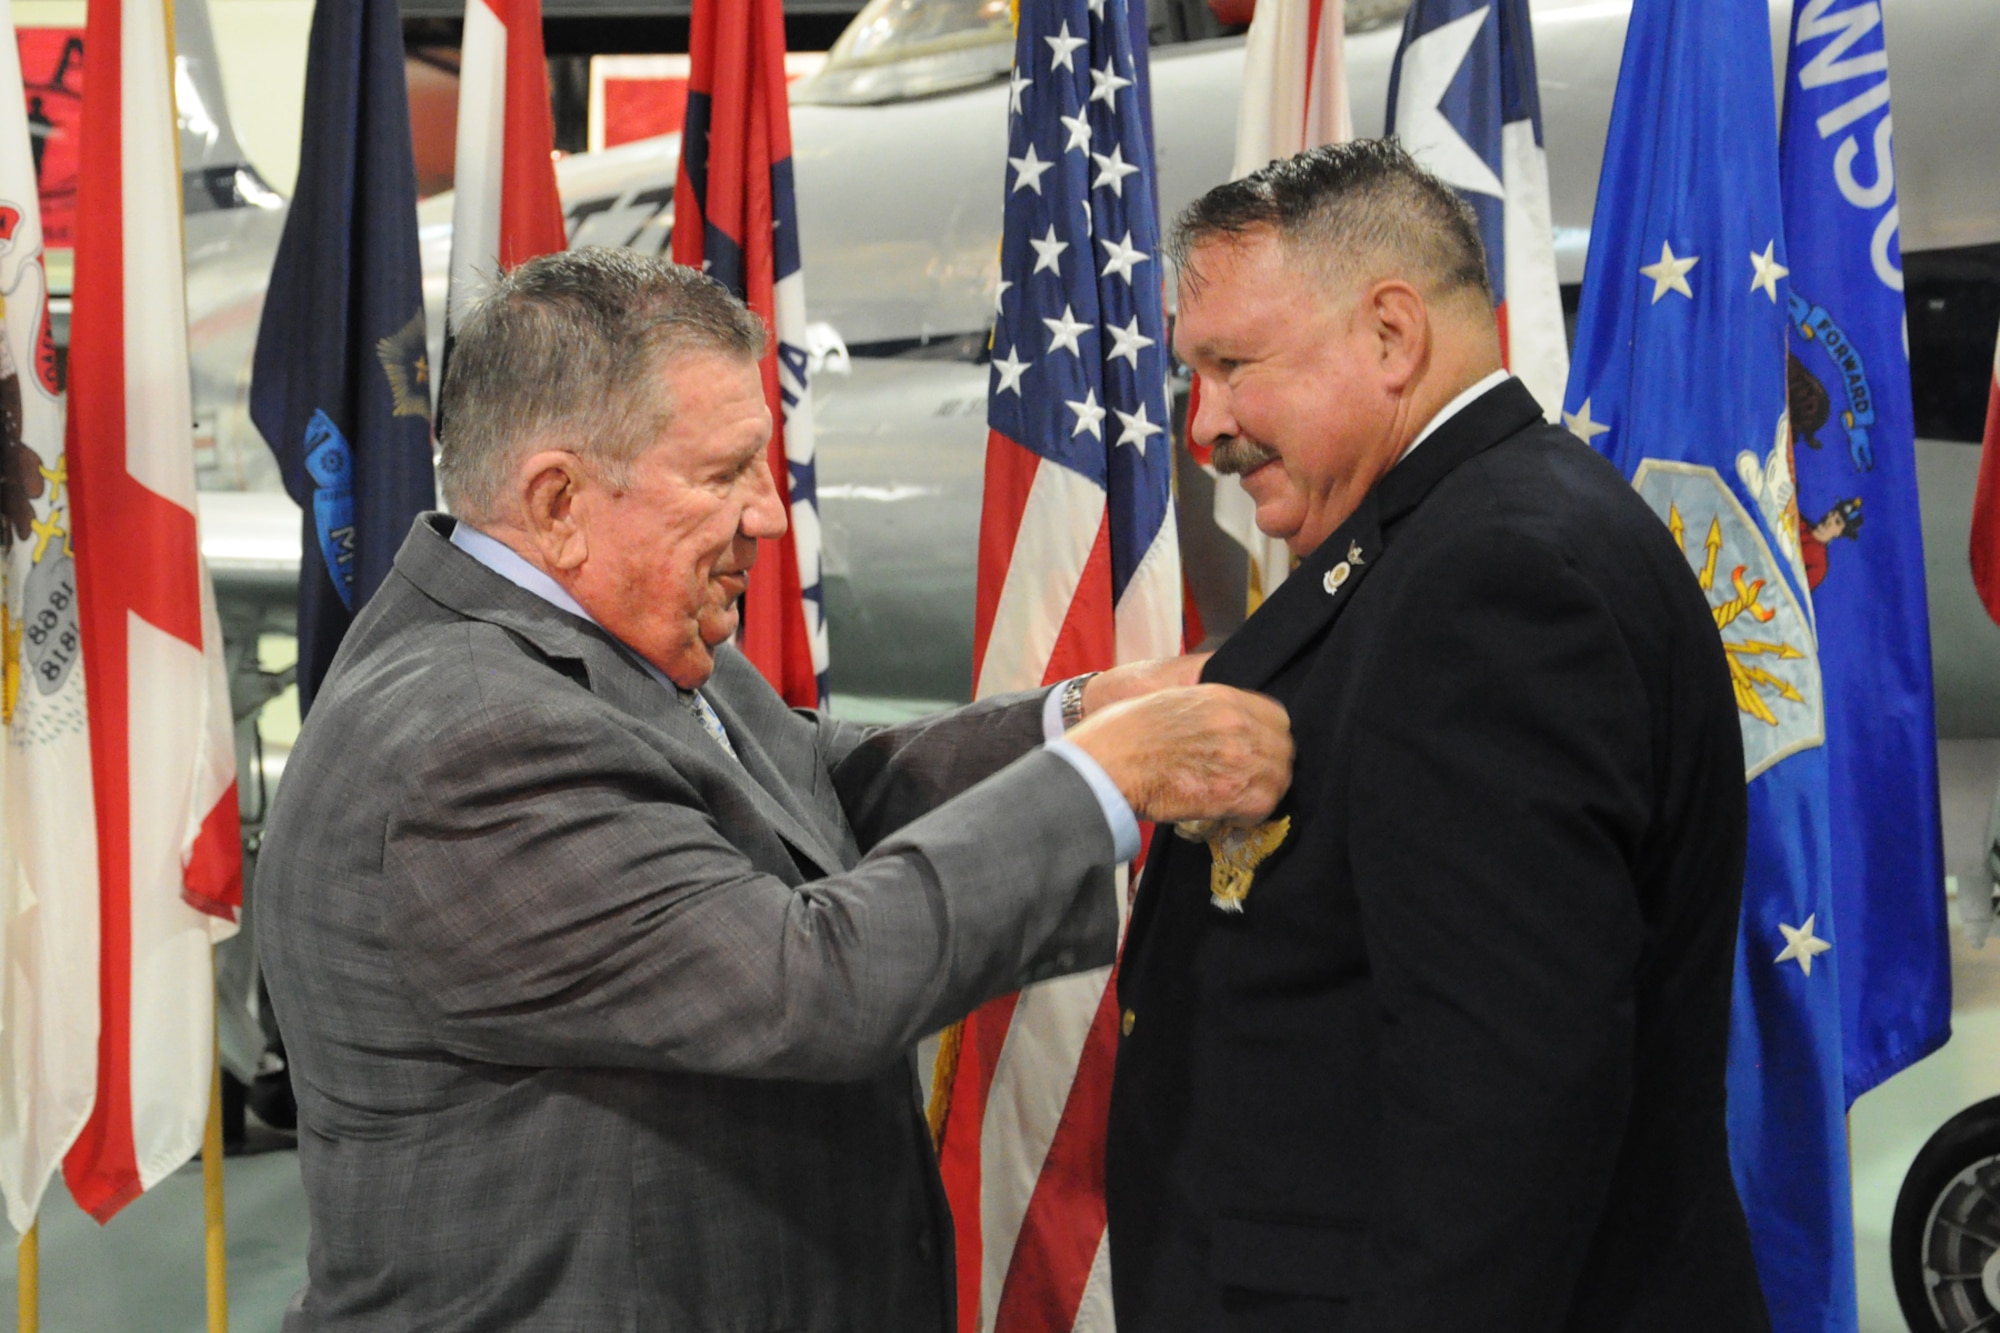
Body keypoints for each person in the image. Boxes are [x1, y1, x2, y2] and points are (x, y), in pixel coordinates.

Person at [255, 247, 1292, 1331]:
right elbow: (812, 985)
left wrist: (1081, 715)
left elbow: (815, 789)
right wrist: (1107, 782)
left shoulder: (597, 629)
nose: (767, 516)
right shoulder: (471, 743)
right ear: (558, 501)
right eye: (723, 473)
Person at [1105, 141, 1767, 1331]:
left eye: (1231, 365)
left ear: (1391, 337)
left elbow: (1503, 1112)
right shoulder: (1465, 534)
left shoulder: (1491, 582)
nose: (1202, 426)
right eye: (1188, 375)